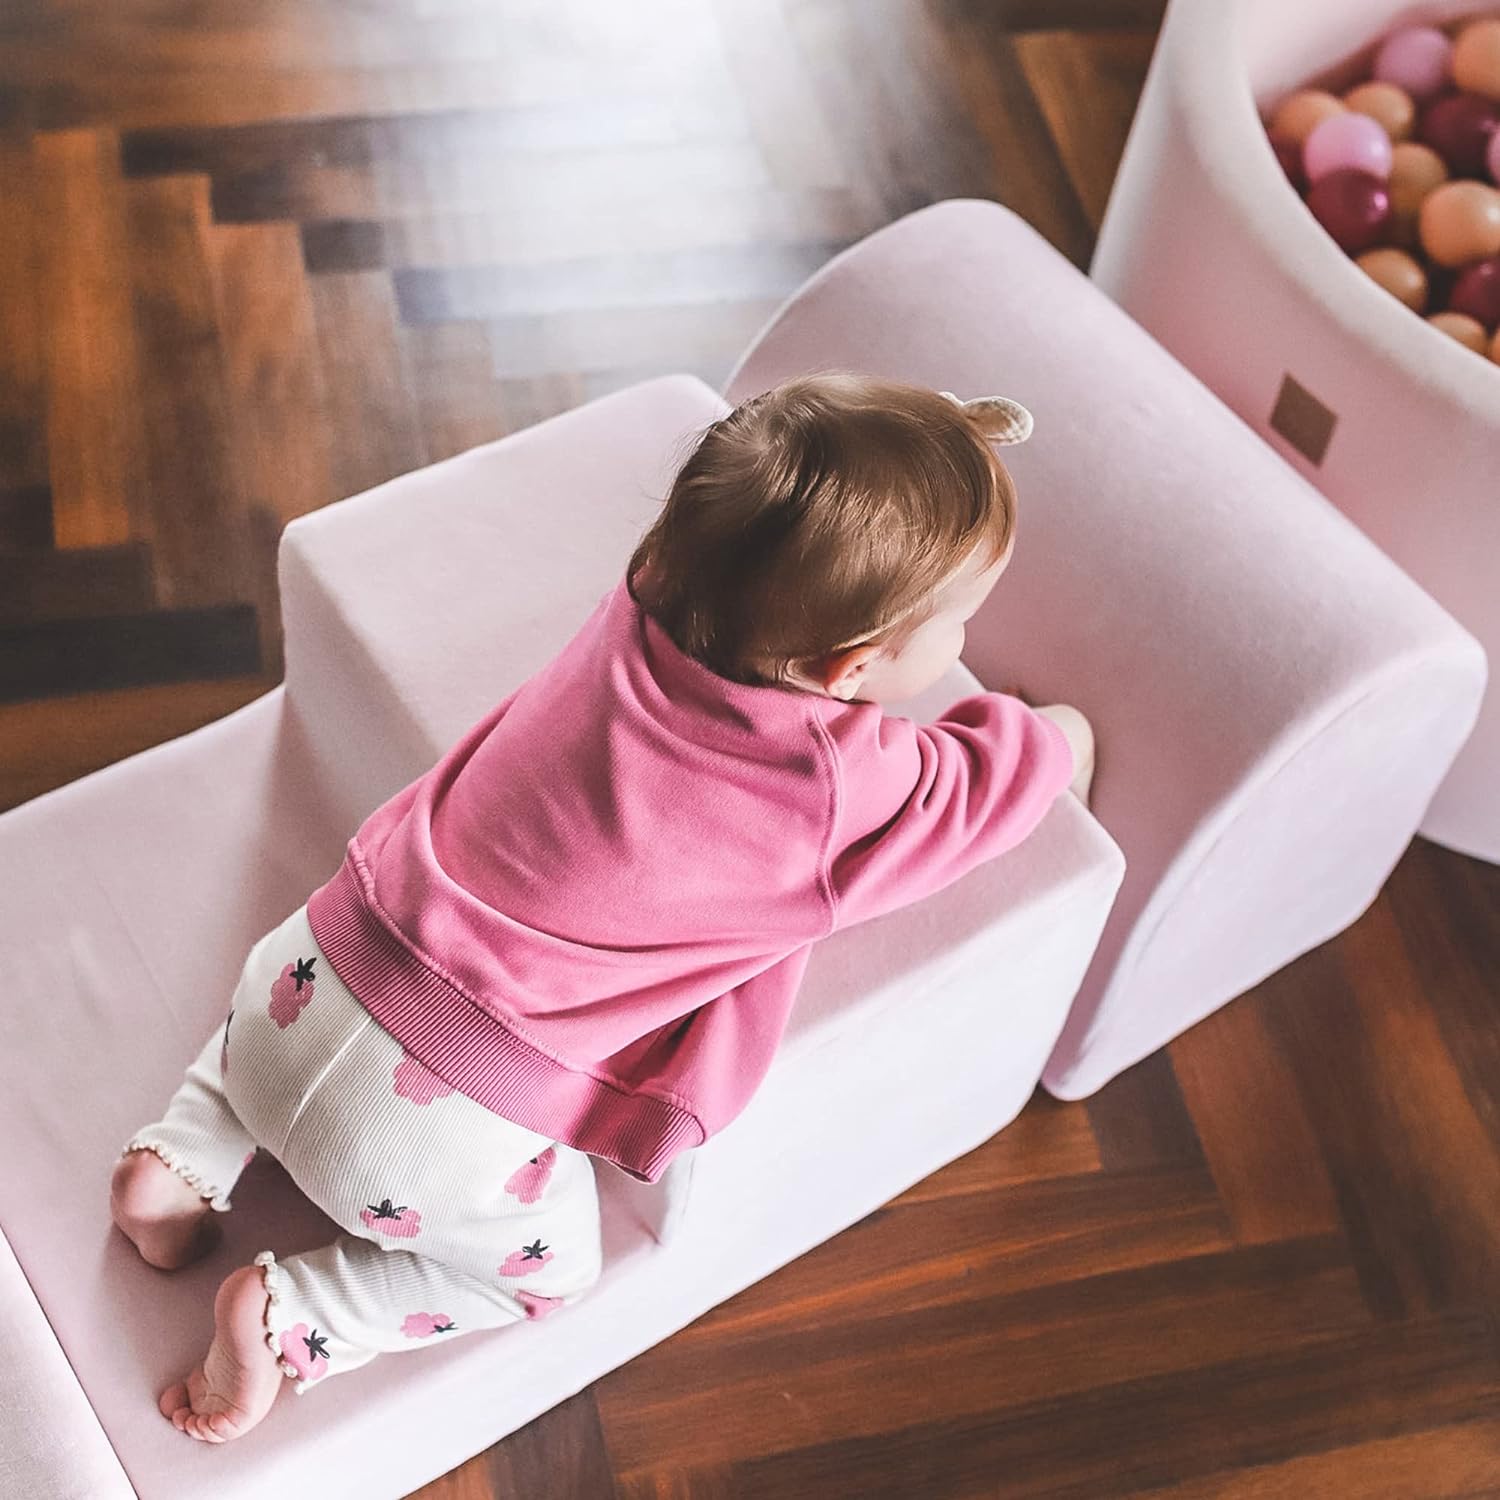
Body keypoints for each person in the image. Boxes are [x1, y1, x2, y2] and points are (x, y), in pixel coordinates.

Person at [109, 369, 1095, 1443]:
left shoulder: (642, 600)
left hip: (297, 981)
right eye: (958, 628)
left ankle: (179, 1159)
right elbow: (981, 793)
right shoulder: (833, 785)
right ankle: (294, 1314)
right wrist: (1062, 740)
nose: (962, 651)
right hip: (427, 1141)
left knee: (275, 1041)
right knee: (551, 1275)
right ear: (854, 668)